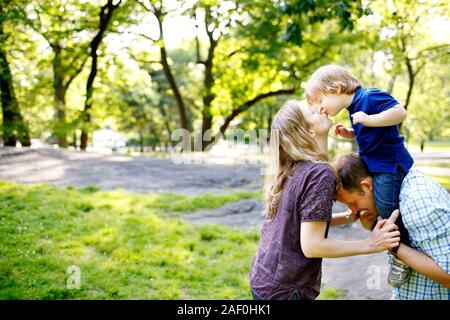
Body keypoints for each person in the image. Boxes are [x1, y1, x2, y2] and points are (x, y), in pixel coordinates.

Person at [249, 100, 400, 300]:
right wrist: (370, 244)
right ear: (308, 132)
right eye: (311, 111)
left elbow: (297, 224)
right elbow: (312, 246)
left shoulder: (294, 168)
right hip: (285, 291)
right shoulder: (319, 173)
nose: (320, 108)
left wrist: (346, 218)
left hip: (263, 279)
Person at [305, 64, 413, 286]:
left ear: (335, 88)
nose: (319, 108)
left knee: (384, 208)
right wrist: (350, 133)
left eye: (319, 101)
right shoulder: (353, 109)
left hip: (389, 164)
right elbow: (370, 134)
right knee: (378, 211)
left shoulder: (370, 97)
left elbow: (400, 112)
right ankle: (395, 248)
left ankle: (404, 254)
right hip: (376, 164)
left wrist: (370, 119)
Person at [332, 153, 450, 299]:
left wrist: (394, 246)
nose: (353, 210)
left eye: (354, 203)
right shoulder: (394, 193)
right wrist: (373, 225)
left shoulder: (419, 203)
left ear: (367, 186)